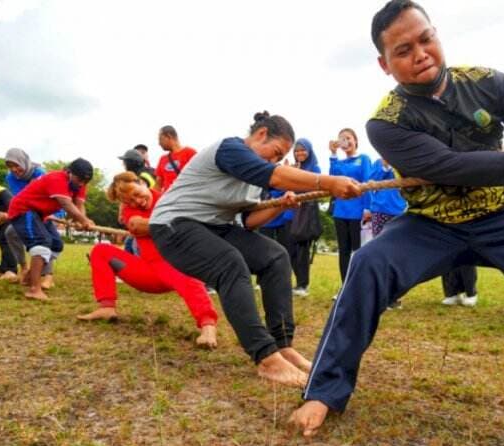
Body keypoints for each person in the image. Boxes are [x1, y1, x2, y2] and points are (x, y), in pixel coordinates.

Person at [290, 0, 504, 436]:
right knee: (368, 263)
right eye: (403, 50)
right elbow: (451, 167)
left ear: (437, 35)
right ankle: (324, 390)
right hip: (433, 222)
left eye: (425, 39)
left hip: (502, 210)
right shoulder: (385, 123)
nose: (420, 54)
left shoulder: (488, 82)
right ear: (384, 63)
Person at [149, 111, 361, 387]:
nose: (274, 159)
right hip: (173, 226)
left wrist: (278, 207)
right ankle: (266, 358)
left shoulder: (253, 180)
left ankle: (283, 345)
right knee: (230, 263)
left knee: (276, 257)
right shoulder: (230, 149)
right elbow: (273, 176)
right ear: (261, 134)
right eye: (275, 152)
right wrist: (327, 182)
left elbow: (247, 221)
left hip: (214, 226)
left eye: (278, 157)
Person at [77, 172, 219, 347]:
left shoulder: (169, 198)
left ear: (143, 183)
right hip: (148, 272)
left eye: (137, 194)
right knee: (100, 251)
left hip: (174, 264)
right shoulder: (131, 211)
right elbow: (137, 224)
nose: (137, 202)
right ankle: (106, 307)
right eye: (129, 201)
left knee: (189, 278)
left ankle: (208, 328)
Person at [8, 158, 95, 300]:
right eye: (79, 180)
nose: (81, 184)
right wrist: (84, 220)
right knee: (42, 241)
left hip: (41, 214)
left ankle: (29, 277)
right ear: (69, 172)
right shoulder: (57, 178)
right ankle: (34, 289)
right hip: (24, 209)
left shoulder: (80, 184)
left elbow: (79, 205)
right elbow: (66, 204)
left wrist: (82, 221)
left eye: (85, 182)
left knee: (56, 245)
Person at [328, 128, 372, 293]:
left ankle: (359, 286)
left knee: (358, 250)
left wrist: (368, 207)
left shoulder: (363, 159)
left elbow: (368, 182)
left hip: (358, 212)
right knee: (343, 251)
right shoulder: (339, 163)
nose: (345, 142)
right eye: (342, 139)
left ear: (355, 140)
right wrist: (333, 154)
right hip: (340, 212)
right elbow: (332, 178)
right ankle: (345, 286)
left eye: (348, 138)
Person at [4, 148, 54, 286]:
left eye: (16, 165)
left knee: (45, 238)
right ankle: (24, 268)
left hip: (45, 211)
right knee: (10, 233)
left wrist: (54, 215)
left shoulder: (40, 173)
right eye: (10, 166)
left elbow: (51, 196)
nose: (14, 169)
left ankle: (48, 276)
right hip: (26, 210)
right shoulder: (10, 177)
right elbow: (21, 197)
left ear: (24, 161)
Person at [368, 157, 406, 308]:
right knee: (379, 252)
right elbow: (372, 181)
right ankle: (379, 293)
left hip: (399, 210)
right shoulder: (377, 163)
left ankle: (393, 295)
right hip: (379, 210)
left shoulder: (403, 161)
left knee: (397, 253)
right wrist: (385, 164)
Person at [290, 138, 322, 297]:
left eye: (303, 150)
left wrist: (298, 174)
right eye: (296, 150)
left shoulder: (315, 168)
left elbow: (315, 186)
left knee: (302, 249)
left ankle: (303, 285)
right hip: (291, 213)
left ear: (309, 151)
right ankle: (298, 282)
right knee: (290, 250)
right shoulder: (293, 167)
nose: (299, 153)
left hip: (306, 213)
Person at [155, 126, 196, 192]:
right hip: (169, 199)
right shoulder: (162, 159)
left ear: (169, 136)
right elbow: (157, 186)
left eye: (160, 139)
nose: (159, 143)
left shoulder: (190, 153)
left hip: (187, 197)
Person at [0, 176, 18, 279]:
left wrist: (2, 218)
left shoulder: (4, 193)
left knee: (4, 237)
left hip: (8, 222)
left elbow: (14, 212)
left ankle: (10, 269)